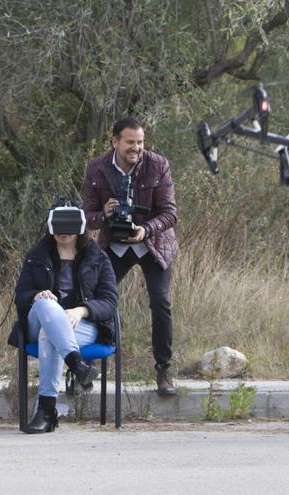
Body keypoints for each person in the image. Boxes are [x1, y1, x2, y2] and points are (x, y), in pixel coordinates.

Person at [82, 117, 179, 395]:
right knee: (93, 297)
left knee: (160, 302)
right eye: (129, 142)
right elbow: (87, 217)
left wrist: (146, 229)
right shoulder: (97, 168)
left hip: (153, 244)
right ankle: (86, 365)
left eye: (140, 142)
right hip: (115, 244)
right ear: (115, 141)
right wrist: (106, 214)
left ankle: (163, 369)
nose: (135, 148)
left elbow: (170, 212)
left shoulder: (157, 164)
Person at [10, 202, 118, 433]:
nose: (63, 231)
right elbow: (20, 295)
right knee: (46, 304)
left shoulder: (98, 258)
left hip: (83, 325)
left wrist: (82, 310)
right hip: (39, 318)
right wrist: (36, 295)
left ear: (81, 226)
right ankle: (77, 365)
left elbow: (109, 302)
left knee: (48, 334)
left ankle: (47, 412)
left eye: (69, 225)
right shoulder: (37, 255)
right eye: (58, 226)